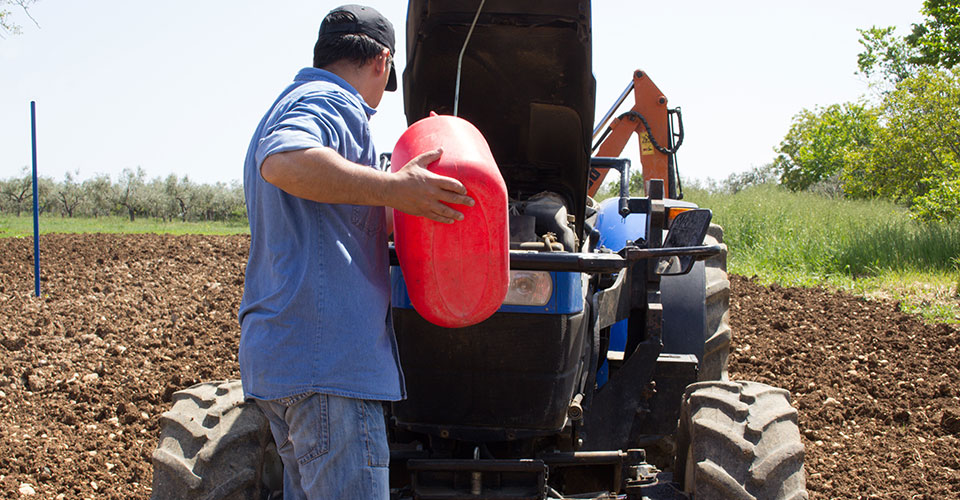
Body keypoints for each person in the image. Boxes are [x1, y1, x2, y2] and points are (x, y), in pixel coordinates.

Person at [237, 5, 474, 499]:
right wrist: (393, 186)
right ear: (381, 61)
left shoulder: (285, 102)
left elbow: (337, 218)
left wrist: (404, 198)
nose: (378, 101)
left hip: (284, 361)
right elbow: (284, 161)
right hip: (331, 368)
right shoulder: (333, 101)